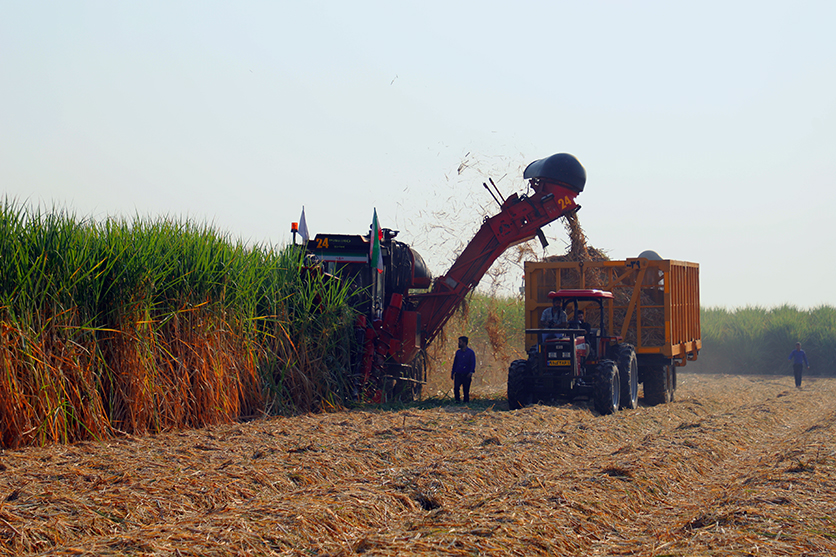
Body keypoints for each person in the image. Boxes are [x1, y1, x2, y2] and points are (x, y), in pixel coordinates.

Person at [451, 336, 476, 403]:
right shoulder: (458, 352)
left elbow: (473, 363)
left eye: (460, 342)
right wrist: (453, 372)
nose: (458, 343)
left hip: (466, 374)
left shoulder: (470, 353)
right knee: (456, 388)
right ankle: (457, 401)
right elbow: (455, 363)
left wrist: (470, 372)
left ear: (464, 343)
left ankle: (466, 402)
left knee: (466, 390)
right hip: (458, 373)